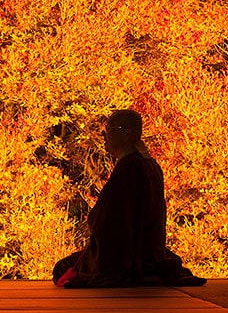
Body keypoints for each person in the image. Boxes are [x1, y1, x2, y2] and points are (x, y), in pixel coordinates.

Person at [53, 109, 205, 288]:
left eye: (109, 129)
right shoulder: (149, 164)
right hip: (149, 253)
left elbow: (105, 220)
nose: (104, 135)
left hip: (124, 257)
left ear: (127, 133)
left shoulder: (129, 166)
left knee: (62, 269)